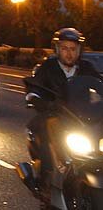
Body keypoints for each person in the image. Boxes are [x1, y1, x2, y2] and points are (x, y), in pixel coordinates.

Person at [21, 26, 101, 191]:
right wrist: (35, 99)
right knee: (47, 135)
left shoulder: (87, 68)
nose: (69, 53)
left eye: (73, 49)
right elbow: (34, 88)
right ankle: (45, 180)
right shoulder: (48, 68)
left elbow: (100, 85)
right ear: (57, 49)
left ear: (79, 50)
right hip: (54, 115)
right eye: (64, 48)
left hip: (82, 117)